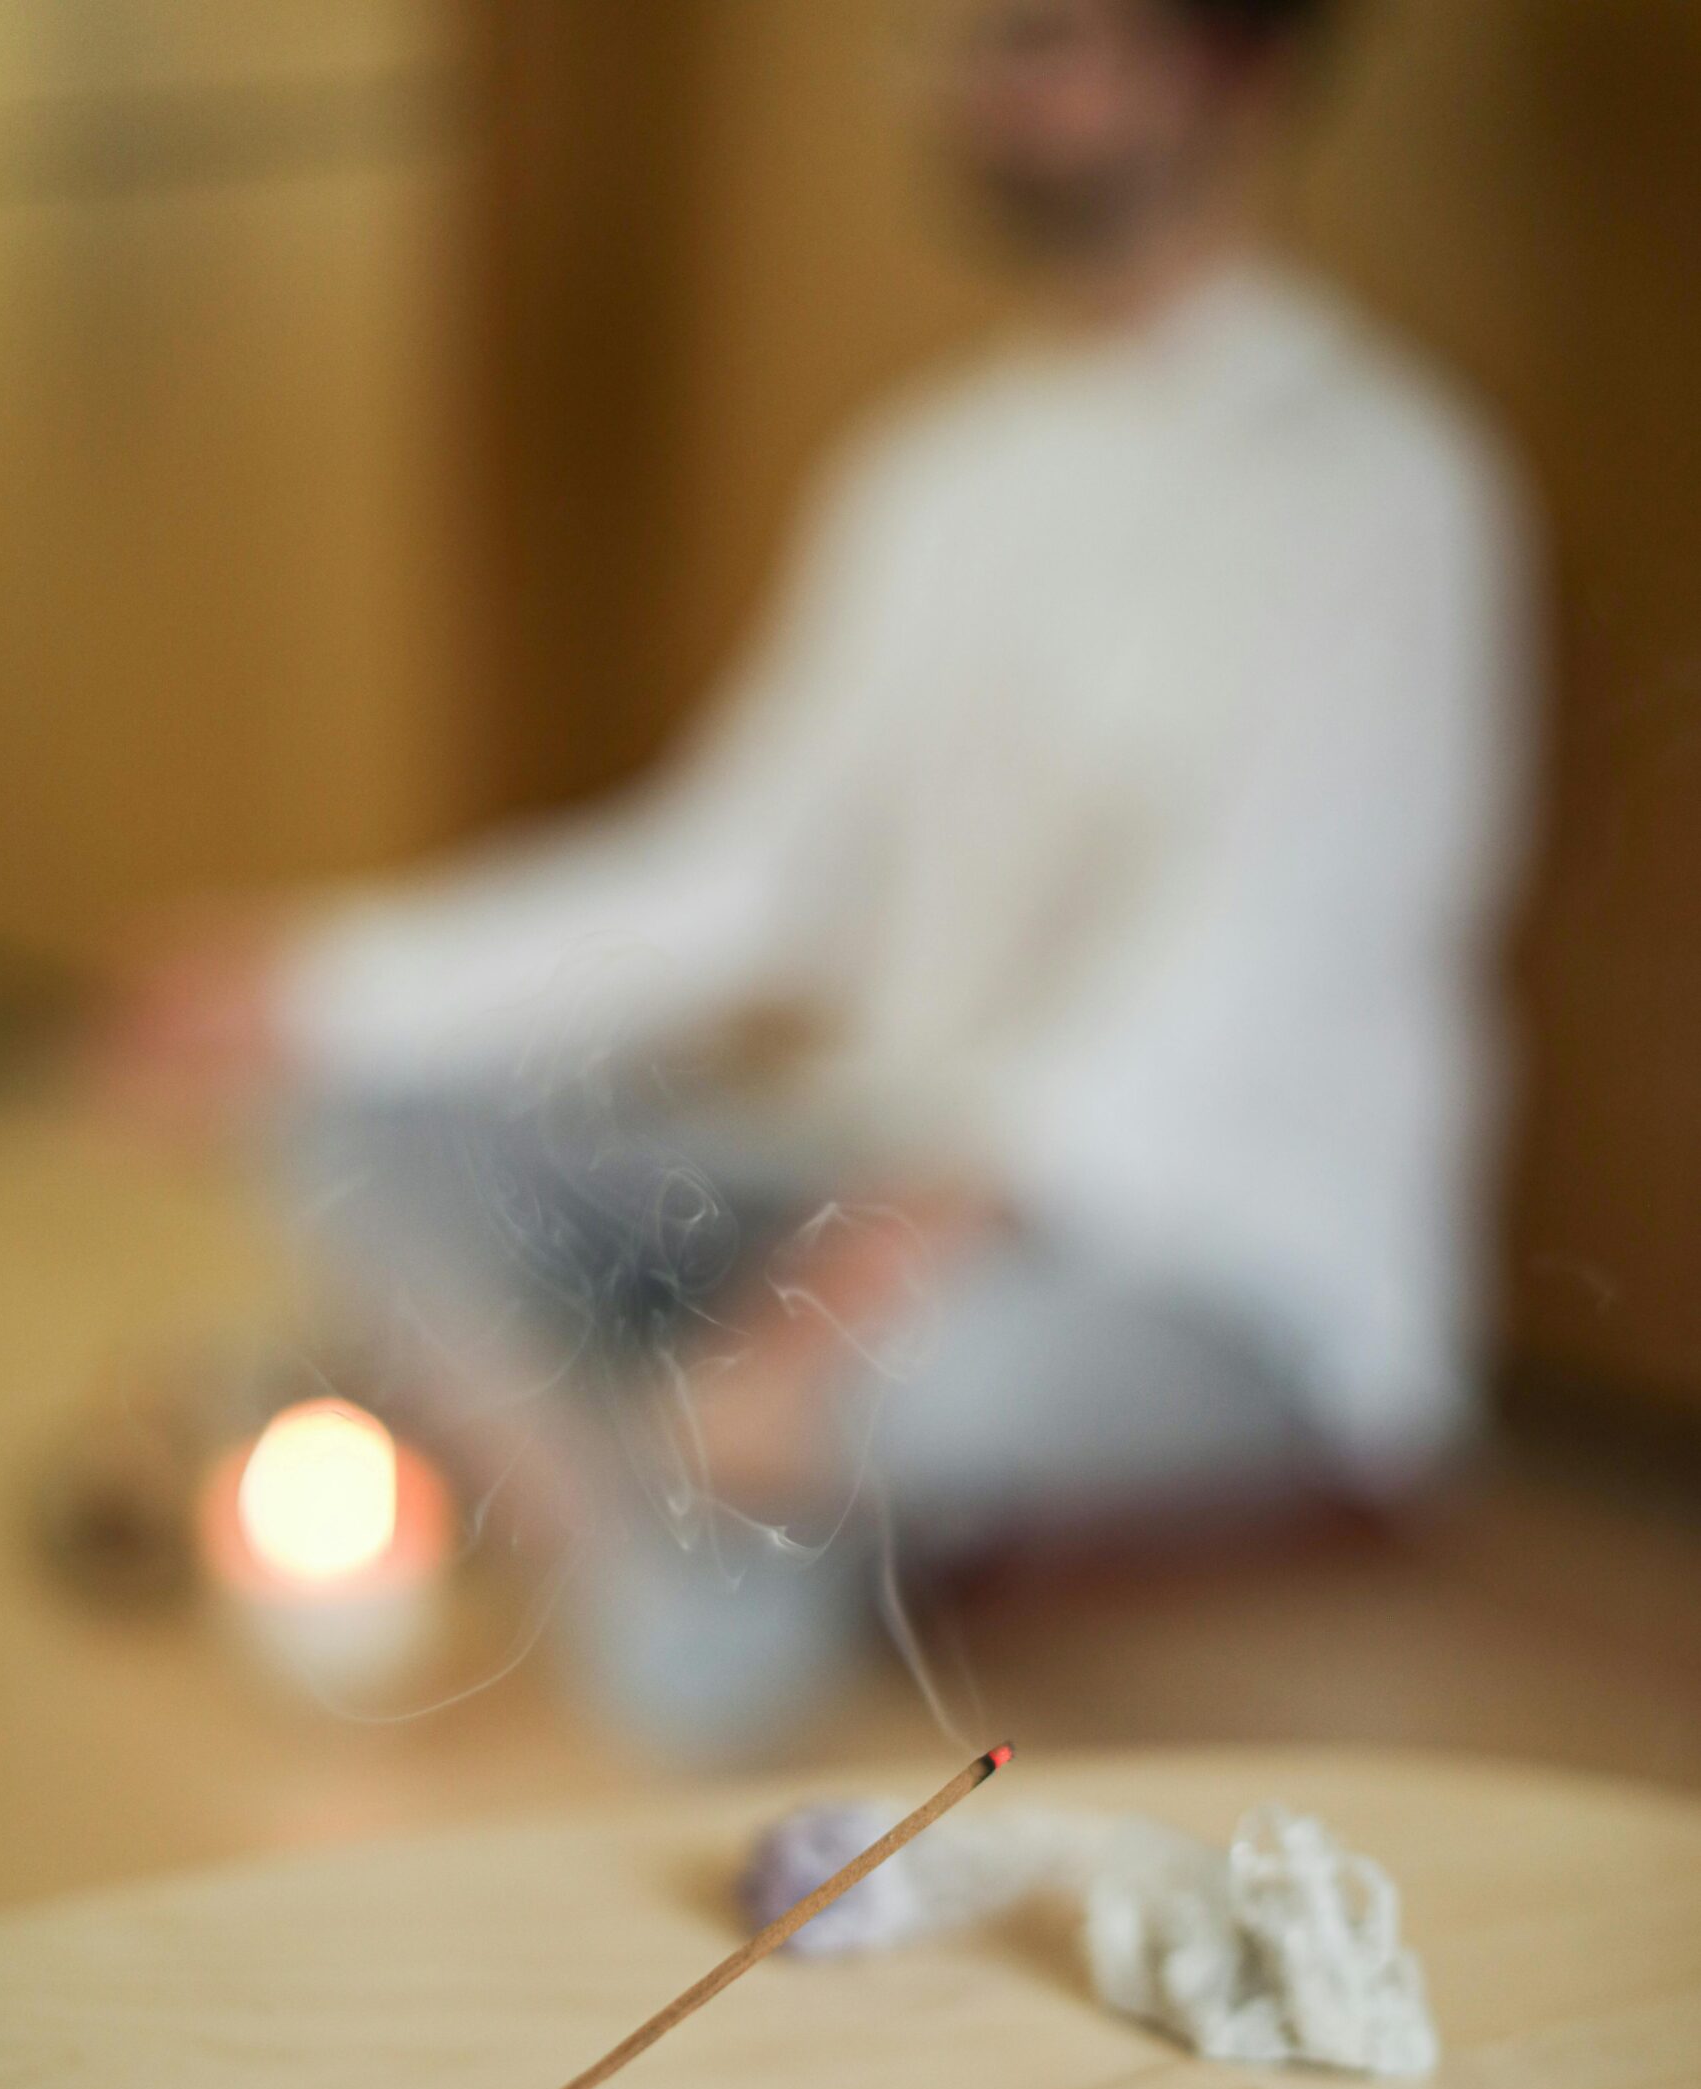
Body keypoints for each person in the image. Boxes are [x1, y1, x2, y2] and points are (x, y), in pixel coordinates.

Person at [104, 0, 1538, 1752]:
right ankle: (651, 1503)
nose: (978, 95)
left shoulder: (1387, 494)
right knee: (354, 1118)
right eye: (962, 47)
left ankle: (623, 1513)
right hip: (852, 1175)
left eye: (1039, 42)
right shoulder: (935, 477)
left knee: (895, 1373)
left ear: (1226, 67)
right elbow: (736, 869)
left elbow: (1231, 984)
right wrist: (317, 987)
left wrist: (842, 1301)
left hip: (1192, 1270)